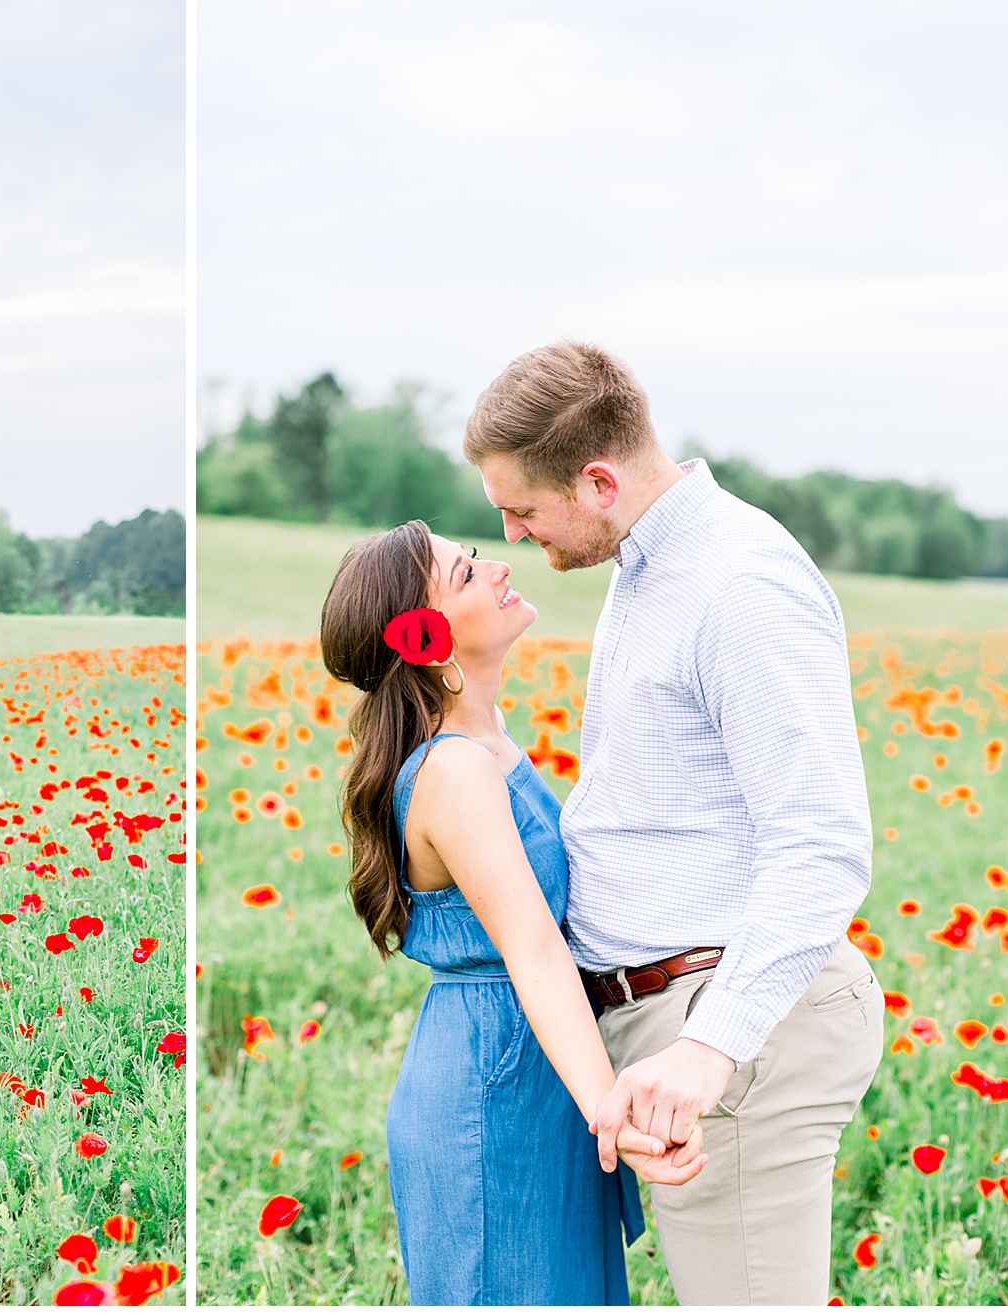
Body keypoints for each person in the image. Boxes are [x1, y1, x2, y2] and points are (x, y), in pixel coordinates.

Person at [464, 340, 883, 1305]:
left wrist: (708, 1044)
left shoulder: (738, 586)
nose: (514, 536)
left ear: (599, 481)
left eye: (523, 510)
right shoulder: (650, 564)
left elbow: (822, 844)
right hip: (673, 1014)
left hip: (727, 1024)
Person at [319, 522, 706, 1306]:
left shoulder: (484, 740)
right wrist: (613, 1114)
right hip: (494, 1086)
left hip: (537, 1062)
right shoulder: (454, 769)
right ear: (425, 636)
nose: (498, 566)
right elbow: (533, 949)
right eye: (466, 572)